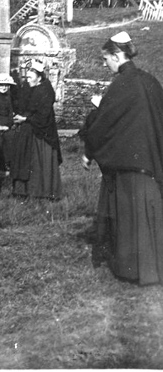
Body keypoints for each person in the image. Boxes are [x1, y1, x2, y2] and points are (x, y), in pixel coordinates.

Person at [83, 31, 163, 285]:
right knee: (150, 218)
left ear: (118, 56)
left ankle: (131, 270)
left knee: (130, 220)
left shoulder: (121, 84)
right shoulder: (151, 81)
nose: (106, 65)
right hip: (151, 162)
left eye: (106, 59)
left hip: (128, 166)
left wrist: (89, 150)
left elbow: (104, 123)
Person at [11, 59, 62, 200]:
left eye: (31, 77)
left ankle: (43, 192)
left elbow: (43, 117)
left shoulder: (45, 90)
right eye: (27, 77)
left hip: (43, 133)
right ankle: (24, 190)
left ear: (40, 77)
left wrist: (25, 119)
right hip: (30, 128)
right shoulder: (30, 87)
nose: (28, 80)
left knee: (39, 161)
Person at [0, 73, 18, 175]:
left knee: (11, 141)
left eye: (6, 85)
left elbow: (10, 112)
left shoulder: (8, 97)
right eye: (1, 85)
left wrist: (11, 124)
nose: (4, 87)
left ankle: (8, 165)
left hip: (7, 125)